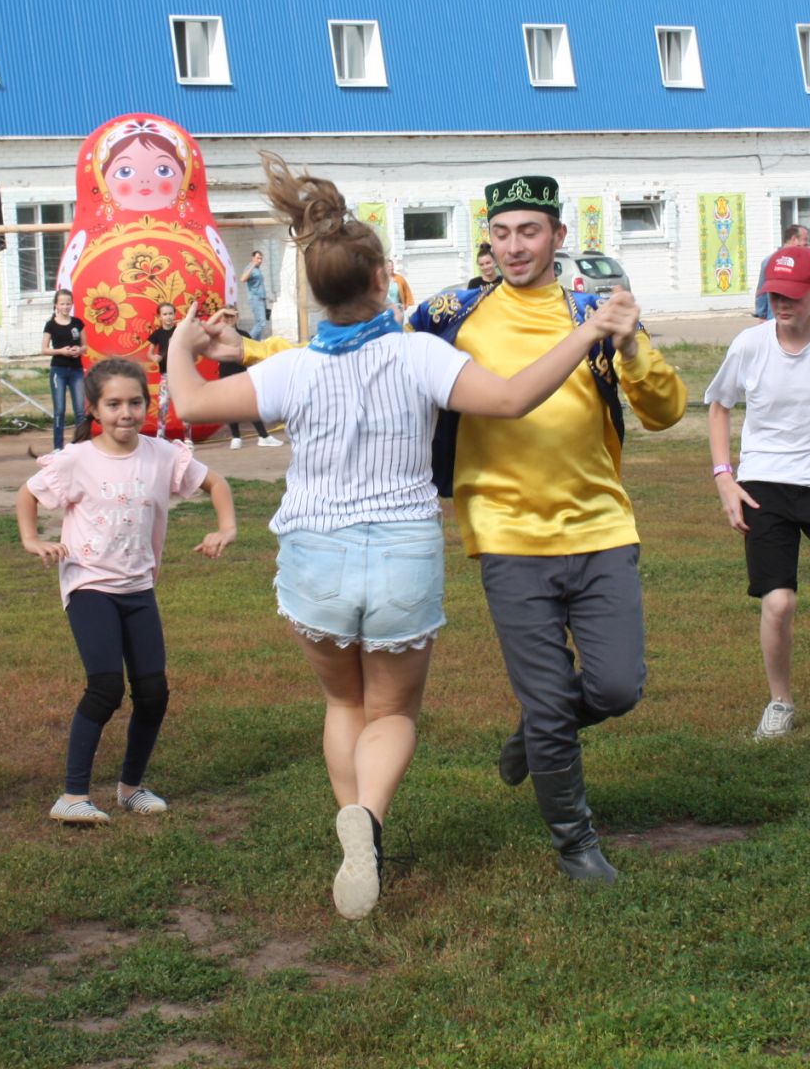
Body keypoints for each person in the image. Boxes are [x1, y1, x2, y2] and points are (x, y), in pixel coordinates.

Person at [173, 154, 641, 914]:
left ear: (317, 292)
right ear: (386, 280)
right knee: (391, 712)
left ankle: (359, 828)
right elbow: (517, 396)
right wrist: (589, 333)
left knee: (343, 707)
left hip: (315, 556)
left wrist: (178, 345)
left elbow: (192, 400)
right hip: (401, 557)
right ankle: (376, 820)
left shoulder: (293, 370)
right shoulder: (424, 352)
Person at [403, 173, 683, 885]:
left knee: (618, 687)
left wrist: (629, 348)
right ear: (488, 242)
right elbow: (370, 354)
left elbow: (665, 411)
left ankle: (536, 736)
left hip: (600, 527)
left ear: (559, 237)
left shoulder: (597, 308)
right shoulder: (450, 314)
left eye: (529, 231)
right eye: (501, 233)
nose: (515, 246)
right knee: (551, 697)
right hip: (505, 534)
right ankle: (576, 843)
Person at [17, 357, 236, 827]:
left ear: (148, 404)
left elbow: (216, 484)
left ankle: (130, 788)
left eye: (135, 402)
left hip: (139, 587)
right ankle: (72, 795)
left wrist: (226, 528)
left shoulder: (162, 455)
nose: (126, 413)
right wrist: (31, 538)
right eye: (114, 404)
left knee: (153, 692)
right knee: (106, 687)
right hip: (89, 583)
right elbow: (29, 493)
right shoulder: (77, 459)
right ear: (94, 408)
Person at [706, 245, 810, 741]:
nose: (781, 304)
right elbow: (719, 406)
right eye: (773, 295)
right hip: (764, 483)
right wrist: (725, 478)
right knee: (778, 603)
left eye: (792, 295)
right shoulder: (749, 345)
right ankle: (780, 701)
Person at [211, 308, 280, 449]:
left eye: (232, 316)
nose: (229, 319)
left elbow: (253, 356)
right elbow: (206, 327)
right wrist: (221, 313)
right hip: (226, 374)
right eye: (226, 316)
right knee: (230, 407)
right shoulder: (218, 335)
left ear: (237, 317)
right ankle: (236, 437)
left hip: (243, 374)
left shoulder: (244, 334)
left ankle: (263, 436)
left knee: (251, 406)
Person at [43, 288, 87, 451]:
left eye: (68, 303)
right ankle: (57, 446)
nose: (65, 306)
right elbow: (44, 348)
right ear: (56, 305)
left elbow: (85, 346)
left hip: (76, 370)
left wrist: (79, 350)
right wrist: (61, 351)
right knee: (59, 410)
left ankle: (81, 444)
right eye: (62, 303)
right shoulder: (51, 324)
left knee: (80, 411)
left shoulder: (77, 323)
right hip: (58, 370)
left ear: (72, 304)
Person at [754, 225, 810, 320]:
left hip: (788, 319)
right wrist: (762, 316)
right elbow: (762, 290)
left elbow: (761, 291)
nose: (808, 244)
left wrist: (762, 315)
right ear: (794, 239)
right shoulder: (770, 261)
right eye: (805, 240)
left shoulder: (768, 260)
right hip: (783, 320)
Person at [147, 302, 179, 442]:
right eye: (165, 314)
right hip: (165, 374)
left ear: (174, 314)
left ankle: (188, 438)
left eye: (170, 313)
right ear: (159, 316)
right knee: (163, 404)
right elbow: (149, 353)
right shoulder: (157, 334)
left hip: (181, 374)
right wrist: (154, 357)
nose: (168, 317)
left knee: (184, 405)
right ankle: (160, 436)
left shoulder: (179, 330)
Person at [241, 249, 274, 338]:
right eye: (257, 258)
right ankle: (248, 341)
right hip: (255, 299)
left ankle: (256, 344)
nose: (259, 260)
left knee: (258, 322)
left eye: (261, 259)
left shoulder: (258, 270)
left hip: (261, 299)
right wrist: (252, 266)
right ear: (252, 258)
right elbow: (243, 279)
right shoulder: (250, 268)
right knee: (261, 323)